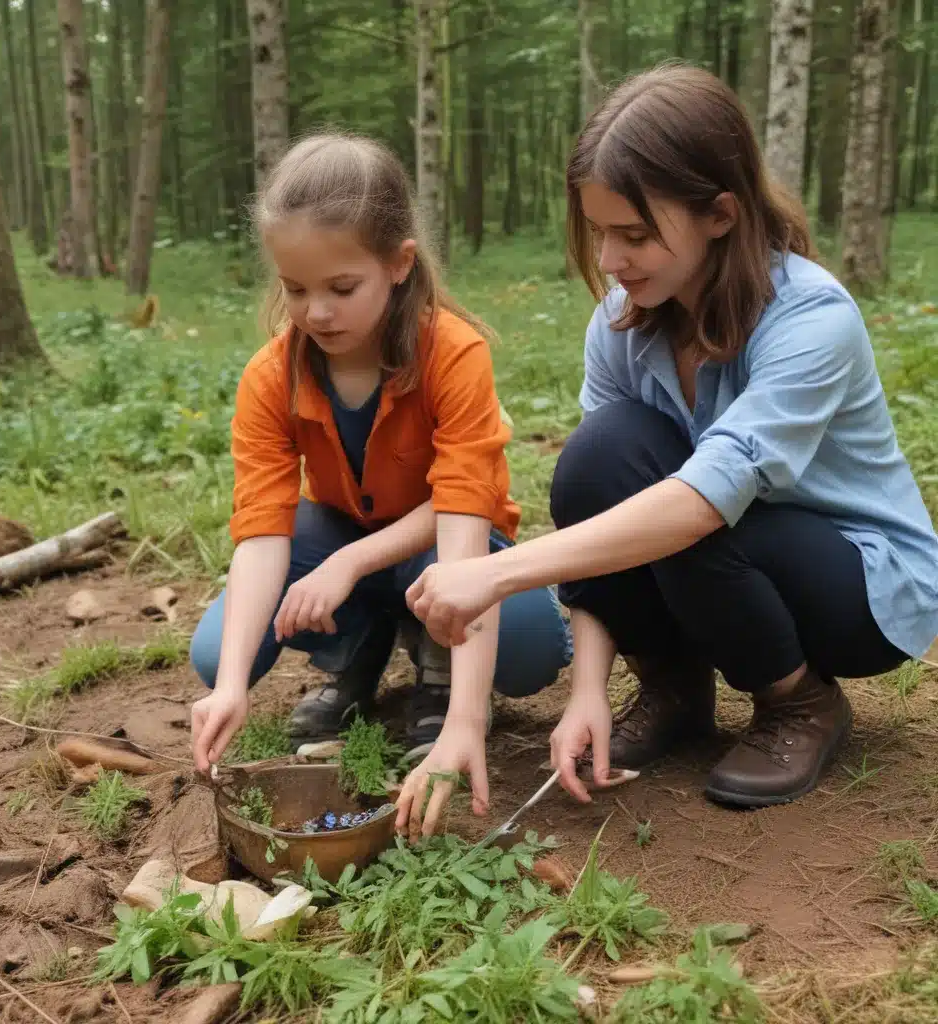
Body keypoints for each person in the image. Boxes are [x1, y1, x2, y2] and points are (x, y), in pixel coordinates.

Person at [396, 63, 938, 840]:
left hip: (852, 585)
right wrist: (588, 686)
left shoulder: (814, 318)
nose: (611, 259)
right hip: (719, 556)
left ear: (720, 213)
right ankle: (674, 686)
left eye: (636, 234)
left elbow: (696, 505)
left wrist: (496, 570)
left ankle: (798, 700)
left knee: (691, 513)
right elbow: (603, 495)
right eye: (599, 232)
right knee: (600, 456)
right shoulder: (624, 321)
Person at [189, 133, 572, 776]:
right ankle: (357, 652)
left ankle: (440, 664)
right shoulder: (270, 375)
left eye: (342, 287)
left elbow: (460, 521)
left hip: (441, 544)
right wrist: (230, 685)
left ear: (399, 264)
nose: (316, 312)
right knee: (216, 651)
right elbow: (260, 533)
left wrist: (465, 725)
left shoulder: (452, 354)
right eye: (295, 288)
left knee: (529, 648)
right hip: (341, 535)